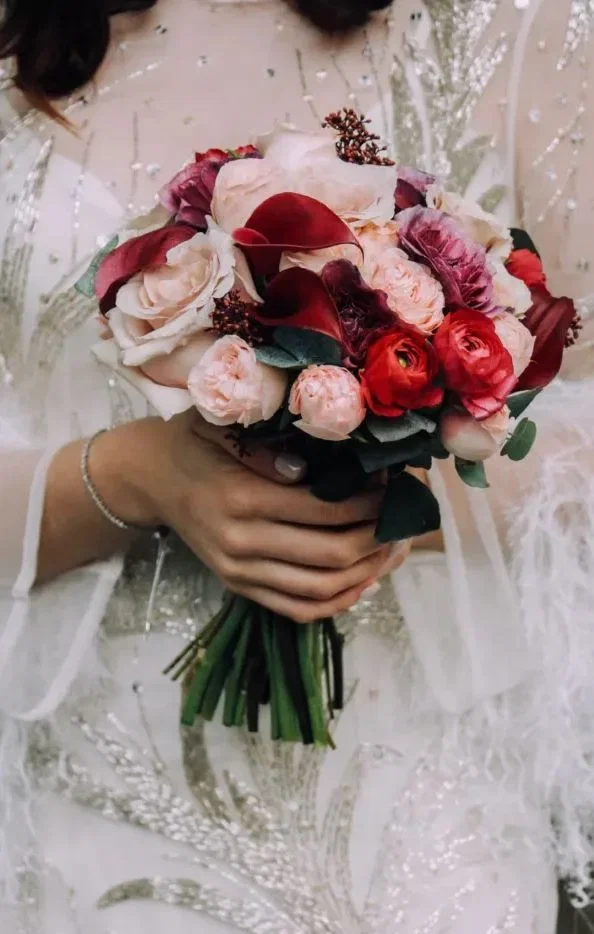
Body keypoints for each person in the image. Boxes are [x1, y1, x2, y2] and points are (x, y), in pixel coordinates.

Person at [0, 0, 593, 931]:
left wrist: (404, 465)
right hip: (100, 813)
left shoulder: (513, 26)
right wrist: (137, 474)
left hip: (420, 825)